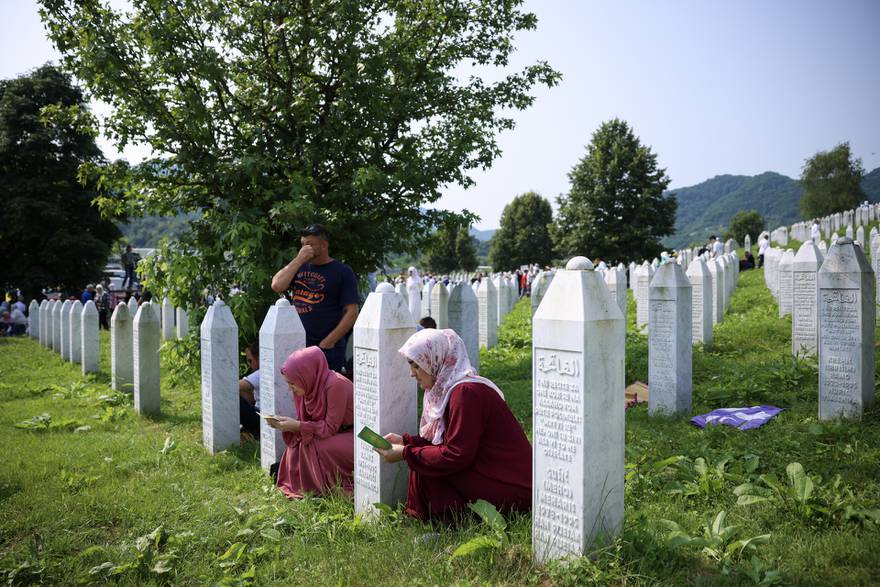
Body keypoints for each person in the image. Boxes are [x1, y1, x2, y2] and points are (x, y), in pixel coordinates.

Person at [377, 329, 531, 521]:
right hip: (491, 472)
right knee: (424, 456)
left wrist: (406, 452)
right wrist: (406, 441)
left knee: (425, 462)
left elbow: (456, 455)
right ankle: (440, 519)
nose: (412, 374)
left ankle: (446, 521)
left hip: (511, 486)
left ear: (435, 360)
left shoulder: (466, 393)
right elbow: (445, 441)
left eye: (417, 366)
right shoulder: (451, 389)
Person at [266, 347, 354, 499]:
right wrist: (289, 424)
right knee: (298, 444)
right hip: (332, 433)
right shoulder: (308, 386)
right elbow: (308, 422)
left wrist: (297, 426)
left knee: (316, 445)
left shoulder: (335, 384)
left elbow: (329, 428)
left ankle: (330, 489)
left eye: (292, 383)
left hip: (353, 435)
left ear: (306, 375)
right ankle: (309, 487)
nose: (290, 388)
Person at [271, 224, 359, 372]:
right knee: (300, 391)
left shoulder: (342, 271)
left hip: (327, 348)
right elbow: (277, 285)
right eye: (303, 244)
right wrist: (298, 260)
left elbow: (352, 312)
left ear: (324, 245)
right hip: (298, 345)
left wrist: (328, 342)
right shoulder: (298, 266)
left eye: (310, 244)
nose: (305, 248)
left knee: (326, 392)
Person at [239, 342, 261, 440]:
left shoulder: (260, 373)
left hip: (261, 418)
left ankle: (255, 433)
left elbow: (233, 386)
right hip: (260, 413)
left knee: (234, 400)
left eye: (250, 360)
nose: (249, 364)